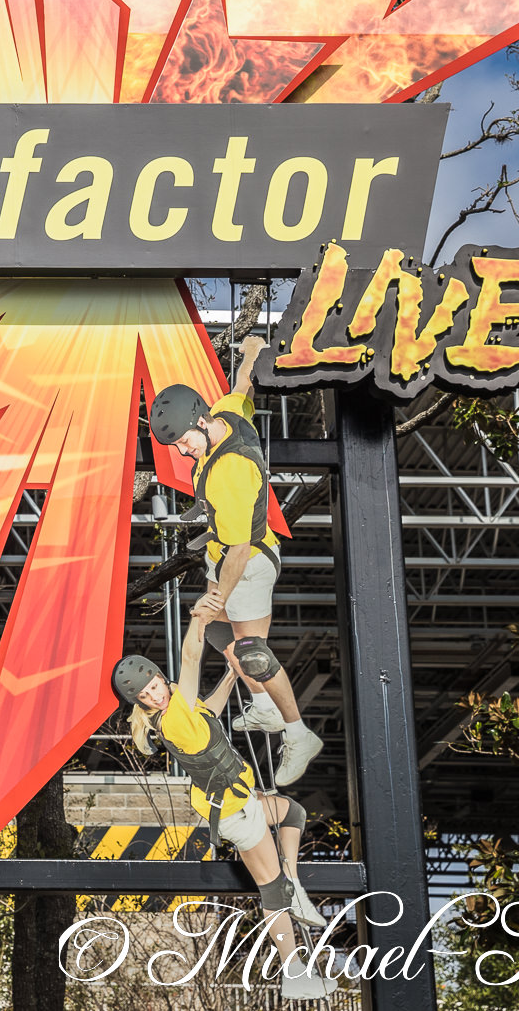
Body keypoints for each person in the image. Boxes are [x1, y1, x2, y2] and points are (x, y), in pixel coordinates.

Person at [114, 614, 339, 1002]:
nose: (154, 696)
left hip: (241, 801)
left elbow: (210, 711)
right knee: (271, 892)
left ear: (157, 680)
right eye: (145, 696)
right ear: (140, 703)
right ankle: (295, 973)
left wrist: (233, 675)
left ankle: (295, 883)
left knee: (291, 813)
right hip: (235, 812)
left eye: (153, 687)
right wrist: (199, 620)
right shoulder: (173, 716)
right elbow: (189, 658)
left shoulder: (183, 712)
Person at [148, 334, 324, 786]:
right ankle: (263, 705)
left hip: (245, 566)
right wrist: (251, 353)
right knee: (220, 635)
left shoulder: (231, 470)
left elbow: (240, 549)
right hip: (222, 558)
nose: (184, 452)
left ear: (201, 422)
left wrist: (217, 595)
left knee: (252, 653)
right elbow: (243, 386)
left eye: (185, 442)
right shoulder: (226, 416)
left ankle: (298, 733)